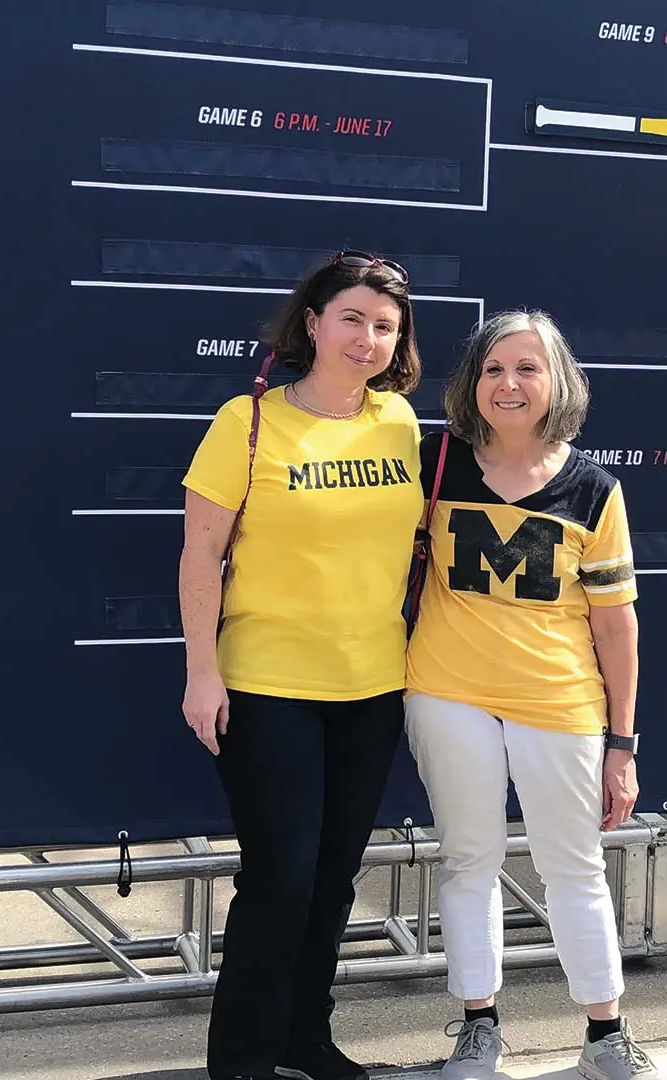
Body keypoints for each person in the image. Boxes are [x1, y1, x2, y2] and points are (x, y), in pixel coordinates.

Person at [179, 251, 423, 1080]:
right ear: (312, 323)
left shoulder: (401, 424)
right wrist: (200, 672)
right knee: (280, 879)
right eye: (352, 319)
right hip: (267, 685)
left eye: (385, 327)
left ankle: (304, 1041)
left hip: (373, 686)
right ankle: (243, 1060)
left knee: (331, 881)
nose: (367, 338)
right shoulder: (245, 423)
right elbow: (200, 554)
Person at [405, 310, 663, 1080]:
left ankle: (605, 1037)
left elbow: (619, 629)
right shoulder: (435, 461)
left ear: (558, 382)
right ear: (472, 382)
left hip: (560, 701)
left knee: (574, 867)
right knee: (469, 860)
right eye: (492, 369)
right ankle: (479, 1028)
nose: (508, 384)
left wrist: (623, 745)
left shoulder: (595, 489)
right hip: (447, 691)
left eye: (527, 369)